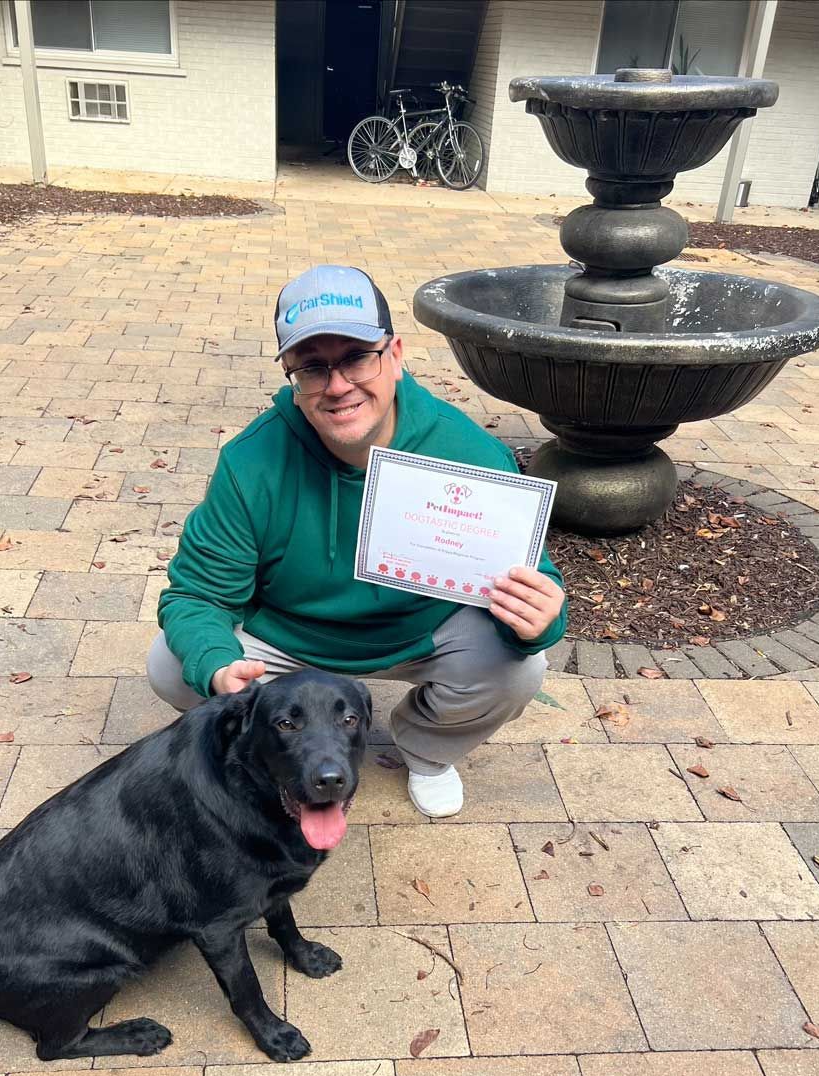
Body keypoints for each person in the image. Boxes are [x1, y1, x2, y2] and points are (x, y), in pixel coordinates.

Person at [147, 264, 567, 818]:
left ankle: (426, 748)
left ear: (394, 355)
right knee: (174, 666)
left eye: (355, 357)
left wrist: (544, 615)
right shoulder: (252, 461)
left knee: (519, 668)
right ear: (292, 379)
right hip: (289, 639)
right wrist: (221, 665)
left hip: (420, 632)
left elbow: (532, 577)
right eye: (313, 367)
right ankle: (277, 751)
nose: (338, 385)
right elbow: (196, 596)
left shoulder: (465, 451)